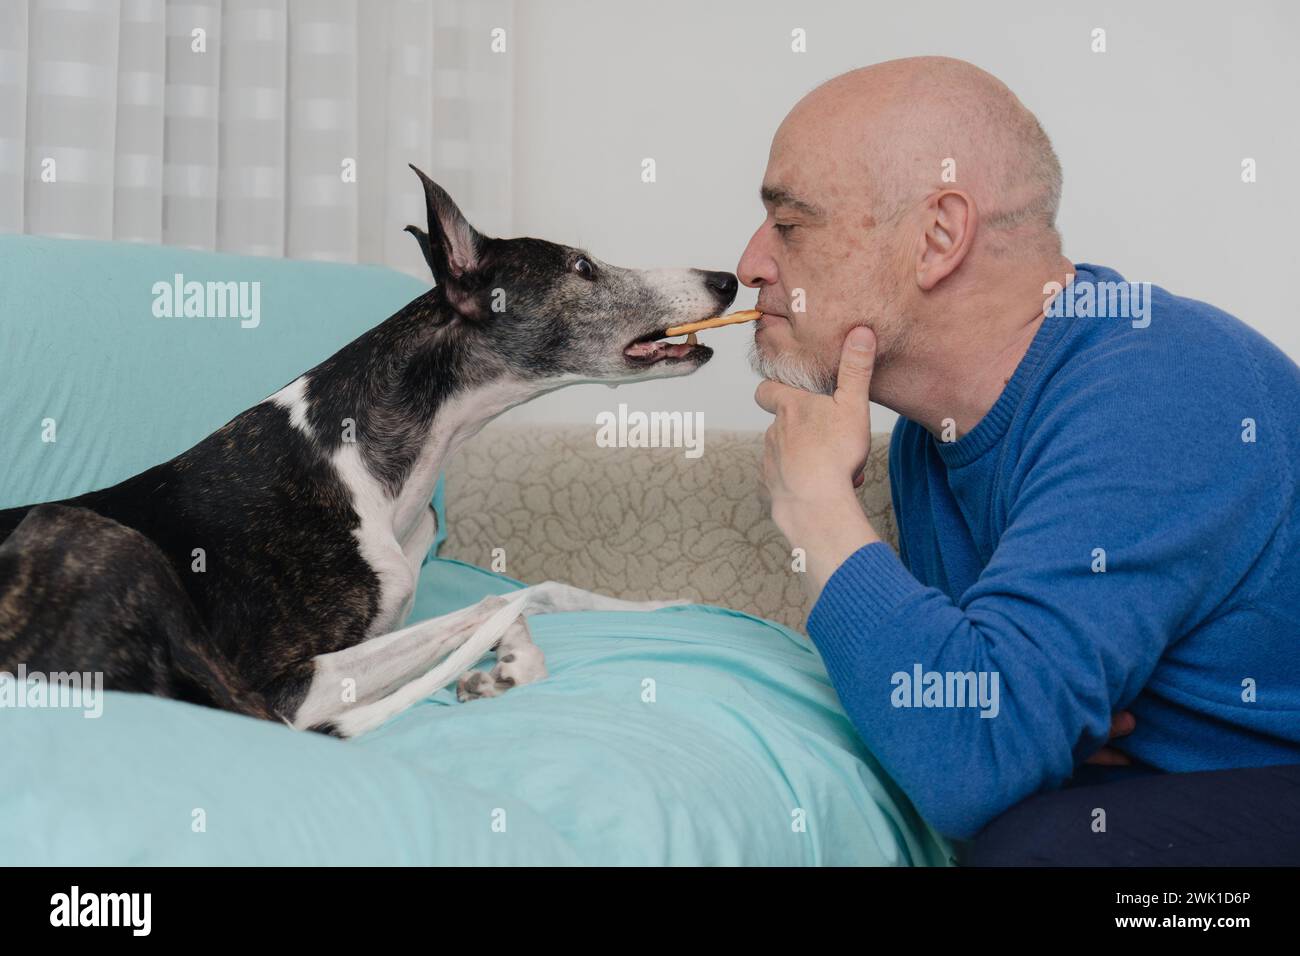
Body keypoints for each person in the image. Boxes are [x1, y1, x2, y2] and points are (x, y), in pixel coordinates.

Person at [741, 56, 1300, 864]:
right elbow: (970, 730)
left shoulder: (1158, 385)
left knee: (1042, 851)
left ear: (938, 235)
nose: (751, 262)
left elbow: (969, 757)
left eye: (789, 225)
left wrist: (817, 510)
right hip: (1204, 804)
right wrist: (1012, 734)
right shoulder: (930, 444)